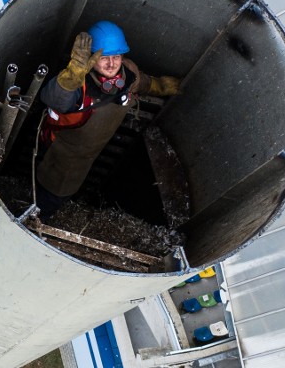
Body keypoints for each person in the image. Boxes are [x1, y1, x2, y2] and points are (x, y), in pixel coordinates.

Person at [35, 20, 181, 219]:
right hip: (64, 152)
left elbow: (145, 83)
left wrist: (165, 86)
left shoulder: (128, 72)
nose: (112, 64)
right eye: (104, 58)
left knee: (72, 184)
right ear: (91, 58)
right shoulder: (78, 84)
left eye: (116, 56)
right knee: (54, 193)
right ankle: (36, 218)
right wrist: (72, 74)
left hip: (92, 151)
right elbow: (52, 99)